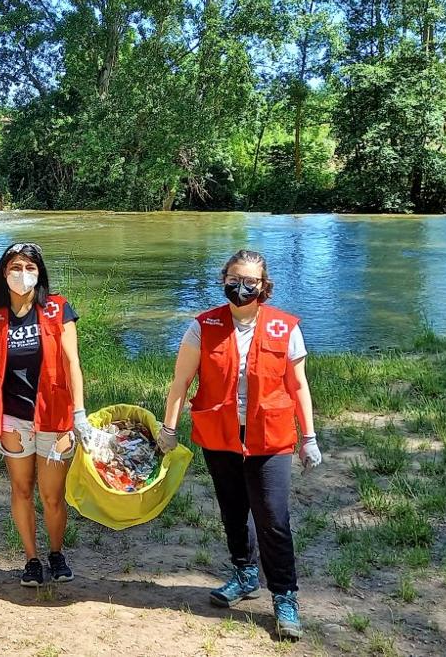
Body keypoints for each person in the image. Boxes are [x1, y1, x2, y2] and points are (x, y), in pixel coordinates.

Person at [157, 249, 322, 641]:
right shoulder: (203, 326)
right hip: (221, 435)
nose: (242, 287)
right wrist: (169, 428)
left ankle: (284, 596)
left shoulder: (285, 328)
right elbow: (180, 384)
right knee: (233, 511)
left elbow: (298, 385)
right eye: (234, 279)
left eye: (250, 281)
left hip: (271, 436)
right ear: (224, 279)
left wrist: (309, 436)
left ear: (264, 286)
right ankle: (245, 574)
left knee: (273, 518)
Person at [0, 242, 85, 586]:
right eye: (16, 268)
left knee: (53, 496)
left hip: (54, 417)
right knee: (21, 490)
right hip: (11, 419)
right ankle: (32, 560)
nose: (23, 275)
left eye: (30, 268)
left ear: (40, 273)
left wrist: (79, 413)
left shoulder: (58, 309)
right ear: (3, 274)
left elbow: (71, 362)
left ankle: (55, 553)